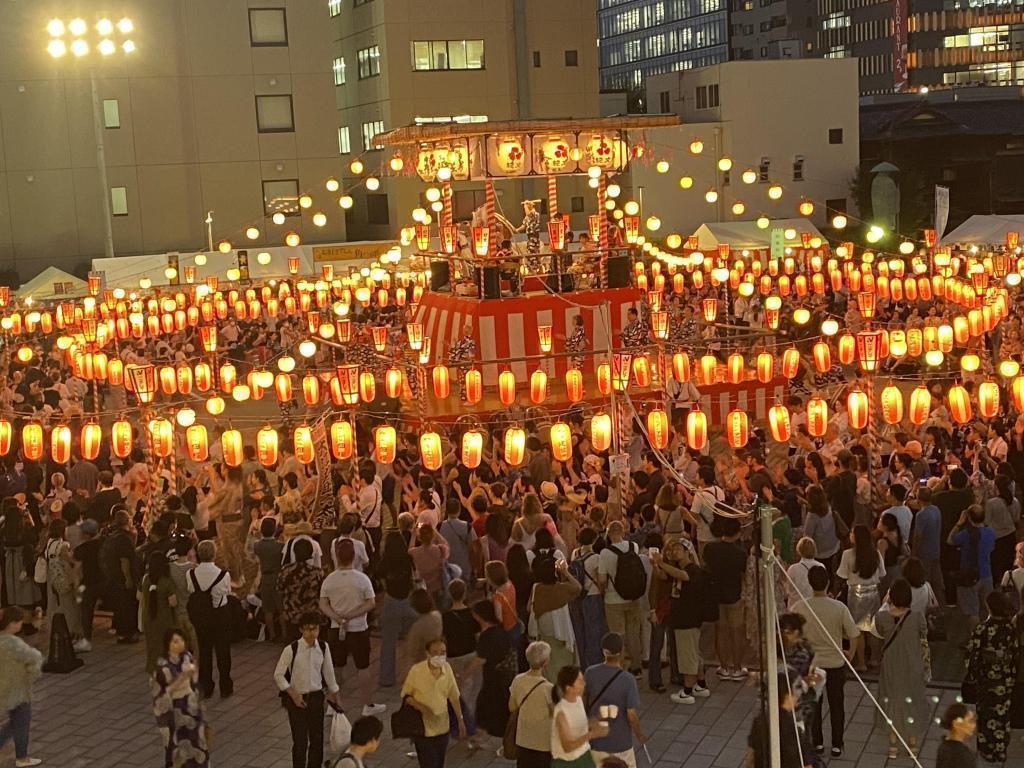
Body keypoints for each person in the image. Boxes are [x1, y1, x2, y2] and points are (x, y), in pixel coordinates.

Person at [794, 565, 859, 757]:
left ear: (809, 583)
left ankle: (818, 743)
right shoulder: (839, 608)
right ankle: (837, 744)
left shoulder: (799, 607)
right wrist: (850, 654)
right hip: (835, 664)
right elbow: (854, 635)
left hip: (812, 666)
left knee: (814, 705)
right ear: (828, 583)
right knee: (837, 704)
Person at [318, 539, 386, 718]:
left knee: (336, 667)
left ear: (337, 557)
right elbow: (371, 603)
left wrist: (337, 617)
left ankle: (333, 704)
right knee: (363, 667)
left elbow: (323, 603)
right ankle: (368, 704)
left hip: (335, 628)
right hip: (358, 628)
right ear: (353, 556)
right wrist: (352, 615)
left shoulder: (329, 580)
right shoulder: (362, 579)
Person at [273, 612, 341, 768]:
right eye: (308, 629)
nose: (312, 633)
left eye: (315, 629)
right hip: (297, 699)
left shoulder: (323, 647)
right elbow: (278, 675)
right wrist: (293, 694)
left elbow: (329, 674)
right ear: (301, 630)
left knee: (317, 739)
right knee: (300, 741)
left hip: (316, 697)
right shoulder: (291, 649)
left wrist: (336, 695)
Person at [652, 538, 712, 704]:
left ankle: (687, 691)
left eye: (679, 549)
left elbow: (683, 576)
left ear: (688, 552)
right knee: (694, 653)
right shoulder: (677, 568)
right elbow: (665, 576)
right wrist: (656, 564)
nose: (675, 551)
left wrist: (661, 563)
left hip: (688, 618)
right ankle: (700, 684)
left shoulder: (692, 569)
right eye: (674, 549)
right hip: (683, 618)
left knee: (687, 656)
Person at [873, 579, 928, 758]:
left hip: (890, 664)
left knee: (891, 701)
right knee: (912, 701)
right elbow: (924, 633)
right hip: (913, 663)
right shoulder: (917, 615)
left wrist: (885, 604)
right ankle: (912, 745)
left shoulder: (882, 617)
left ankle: (893, 746)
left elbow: (880, 632)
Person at [964, 591, 1019, 764]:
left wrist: (973, 674)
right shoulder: (1011, 629)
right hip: (1005, 679)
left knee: (986, 715)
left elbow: (972, 655)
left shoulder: (982, 629)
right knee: (1002, 714)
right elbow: (1015, 654)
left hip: (986, 680)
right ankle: (1001, 749)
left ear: (989, 607)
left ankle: (987, 750)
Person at [401, 637, 467, 768]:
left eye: (443, 652)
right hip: (422, 729)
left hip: (442, 727)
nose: (439, 656)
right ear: (428, 653)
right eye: (435, 652)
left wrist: (460, 720)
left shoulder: (447, 669)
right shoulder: (417, 671)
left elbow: (454, 696)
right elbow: (406, 695)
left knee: (439, 763)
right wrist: (420, 707)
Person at [584, 633, 647, 768]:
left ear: (603, 651)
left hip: (597, 742)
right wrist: (639, 734)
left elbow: (584, 701)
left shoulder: (590, 673)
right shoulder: (628, 679)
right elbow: (631, 715)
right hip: (621, 744)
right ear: (622, 651)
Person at [151, 628, 209, 768]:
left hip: (191, 708)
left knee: (198, 746)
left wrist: (199, 702)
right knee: (177, 751)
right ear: (168, 644)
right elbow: (161, 696)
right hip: (174, 711)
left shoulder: (187, 657)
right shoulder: (162, 668)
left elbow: (194, 684)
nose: (180, 644)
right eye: (175, 641)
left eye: (182, 640)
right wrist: (182, 678)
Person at [597, 521, 646, 675]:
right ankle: (636, 667)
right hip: (633, 597)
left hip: (613, 600)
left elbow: (602, 580)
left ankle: (621, 667)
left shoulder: (605, 553)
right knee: (633, 634)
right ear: (623, 532)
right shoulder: (634, 547)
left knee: (618, 634)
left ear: (609, 534)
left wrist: (602, 592)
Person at [702, 516, 748, 680]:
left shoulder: (710, 549)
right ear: (737, 533)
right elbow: (745, 575)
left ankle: (724, 666)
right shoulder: (740, 553)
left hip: (715, 594)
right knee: (737, 632)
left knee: (720, 631)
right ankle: (737, 667)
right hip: (734, 594)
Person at [187, 539, 233, 699]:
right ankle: (225, 685)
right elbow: (227, 592)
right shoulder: (224, 575)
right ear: (214, 554)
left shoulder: (191, 574)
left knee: (205, 651)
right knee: (223, 651)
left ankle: (206, 686)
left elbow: (191, 590)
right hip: (220, 614)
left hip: (201, 615)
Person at [835, 525, 884, 670]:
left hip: (856, 593)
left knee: (858, 629)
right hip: (873, 592)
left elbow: (842, 574)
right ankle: (875, 659)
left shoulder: (848, 554)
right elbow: (882, 573)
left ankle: (861, 662)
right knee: (872, 627)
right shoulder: (875, 553)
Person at [0, 606, 43, 768]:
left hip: (4, 688)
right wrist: (33, 673)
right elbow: (34, 657)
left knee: (15, 721)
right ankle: (22, 757)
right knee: (22, 722)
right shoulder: (13, 643)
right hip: (18, 689)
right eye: (18, 622)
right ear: (12, 624)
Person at [528, 554, 581, 683]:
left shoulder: (537, 588)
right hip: (563, 634)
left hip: (545, 633)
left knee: (550, 670)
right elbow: (578, 587)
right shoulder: (562, 588)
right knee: (565, 665)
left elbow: (529, 608)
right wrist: (565, 572)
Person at [747, 671, 813, 768]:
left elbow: (751, 755)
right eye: (798, 687)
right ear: (788, 693)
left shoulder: (761, 719)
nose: (801, 692)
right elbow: (805, 763)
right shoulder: (793, 729)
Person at [948, 504, 997, 631]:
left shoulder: (966, 534)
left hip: (969, 575)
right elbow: (992, 549)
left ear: (969, 518)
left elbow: (950, 540)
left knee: (972, 611)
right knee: (989, 608)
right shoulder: (991, 532)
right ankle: (989, 635)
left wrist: (959, 523)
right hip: (987, 573)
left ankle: (975, 639)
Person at [378, 531, 417, 688]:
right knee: (413, 641)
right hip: (408, 600)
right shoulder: (408, 559)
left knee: (388, 642)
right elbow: (414, 578)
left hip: (391, 600)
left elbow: (381, 580)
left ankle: (386, 678)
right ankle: (413, 676)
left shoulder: (384, 562)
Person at [472, 598, 516, 738]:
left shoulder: (486, 636)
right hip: (504, 675)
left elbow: (481, 659)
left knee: (488, 707)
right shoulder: (500, 630)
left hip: (492, 676)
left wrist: (464, 673)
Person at [550, 665, 607, 768]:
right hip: (567, 762)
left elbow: (580, 725)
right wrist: (591, 734)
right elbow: (567, 746)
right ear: (569, 688)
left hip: (584, 756)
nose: (584, 684)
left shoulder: (578, 700)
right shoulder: (561, 712)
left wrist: (598, 718)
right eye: (580, 682)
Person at [509, 641, 555, 768]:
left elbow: (512, 707)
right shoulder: (549, 688)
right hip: (543, 742)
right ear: (546, 662)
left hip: (523, 739)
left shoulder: (518, 680)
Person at [102, 508, 140, 644]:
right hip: (121, 577)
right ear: (127, 521)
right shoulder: (123, 538)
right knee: (126, 604)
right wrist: (128, 578)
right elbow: (125, 560)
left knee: (120, 605)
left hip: (112, 576)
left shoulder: (113, 536)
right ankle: (127, 633)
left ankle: (120, 631)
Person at [140, 551, 180, 675]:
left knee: (152, 645)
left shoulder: (146, 578)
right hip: (164, 618)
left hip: (149, 617)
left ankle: (152, 667)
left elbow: (138, 596)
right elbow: (173, 602)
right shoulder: (167, 581)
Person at [278, 538, 324, 641]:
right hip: (311, 616)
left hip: (292, 615)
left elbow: (280, 590)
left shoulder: (285, 571)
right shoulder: (317, 573)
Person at [253, 516, 284, 641]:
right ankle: (284, 633)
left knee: (268, 608)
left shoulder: (257, 546)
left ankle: (271, 635)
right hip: (278, 575)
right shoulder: (280, 546)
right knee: (281, 607)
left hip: (265, 577)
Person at [406, 588, 444, 668]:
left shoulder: (417, 627)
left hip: (425, 664)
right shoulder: (438, 615)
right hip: (440, 658)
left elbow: (412, 652)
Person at [936, 703, 977, 768]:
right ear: (956, 723)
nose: (973, 725)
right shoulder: (956, 753)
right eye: (970, 721)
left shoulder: (946, 747)